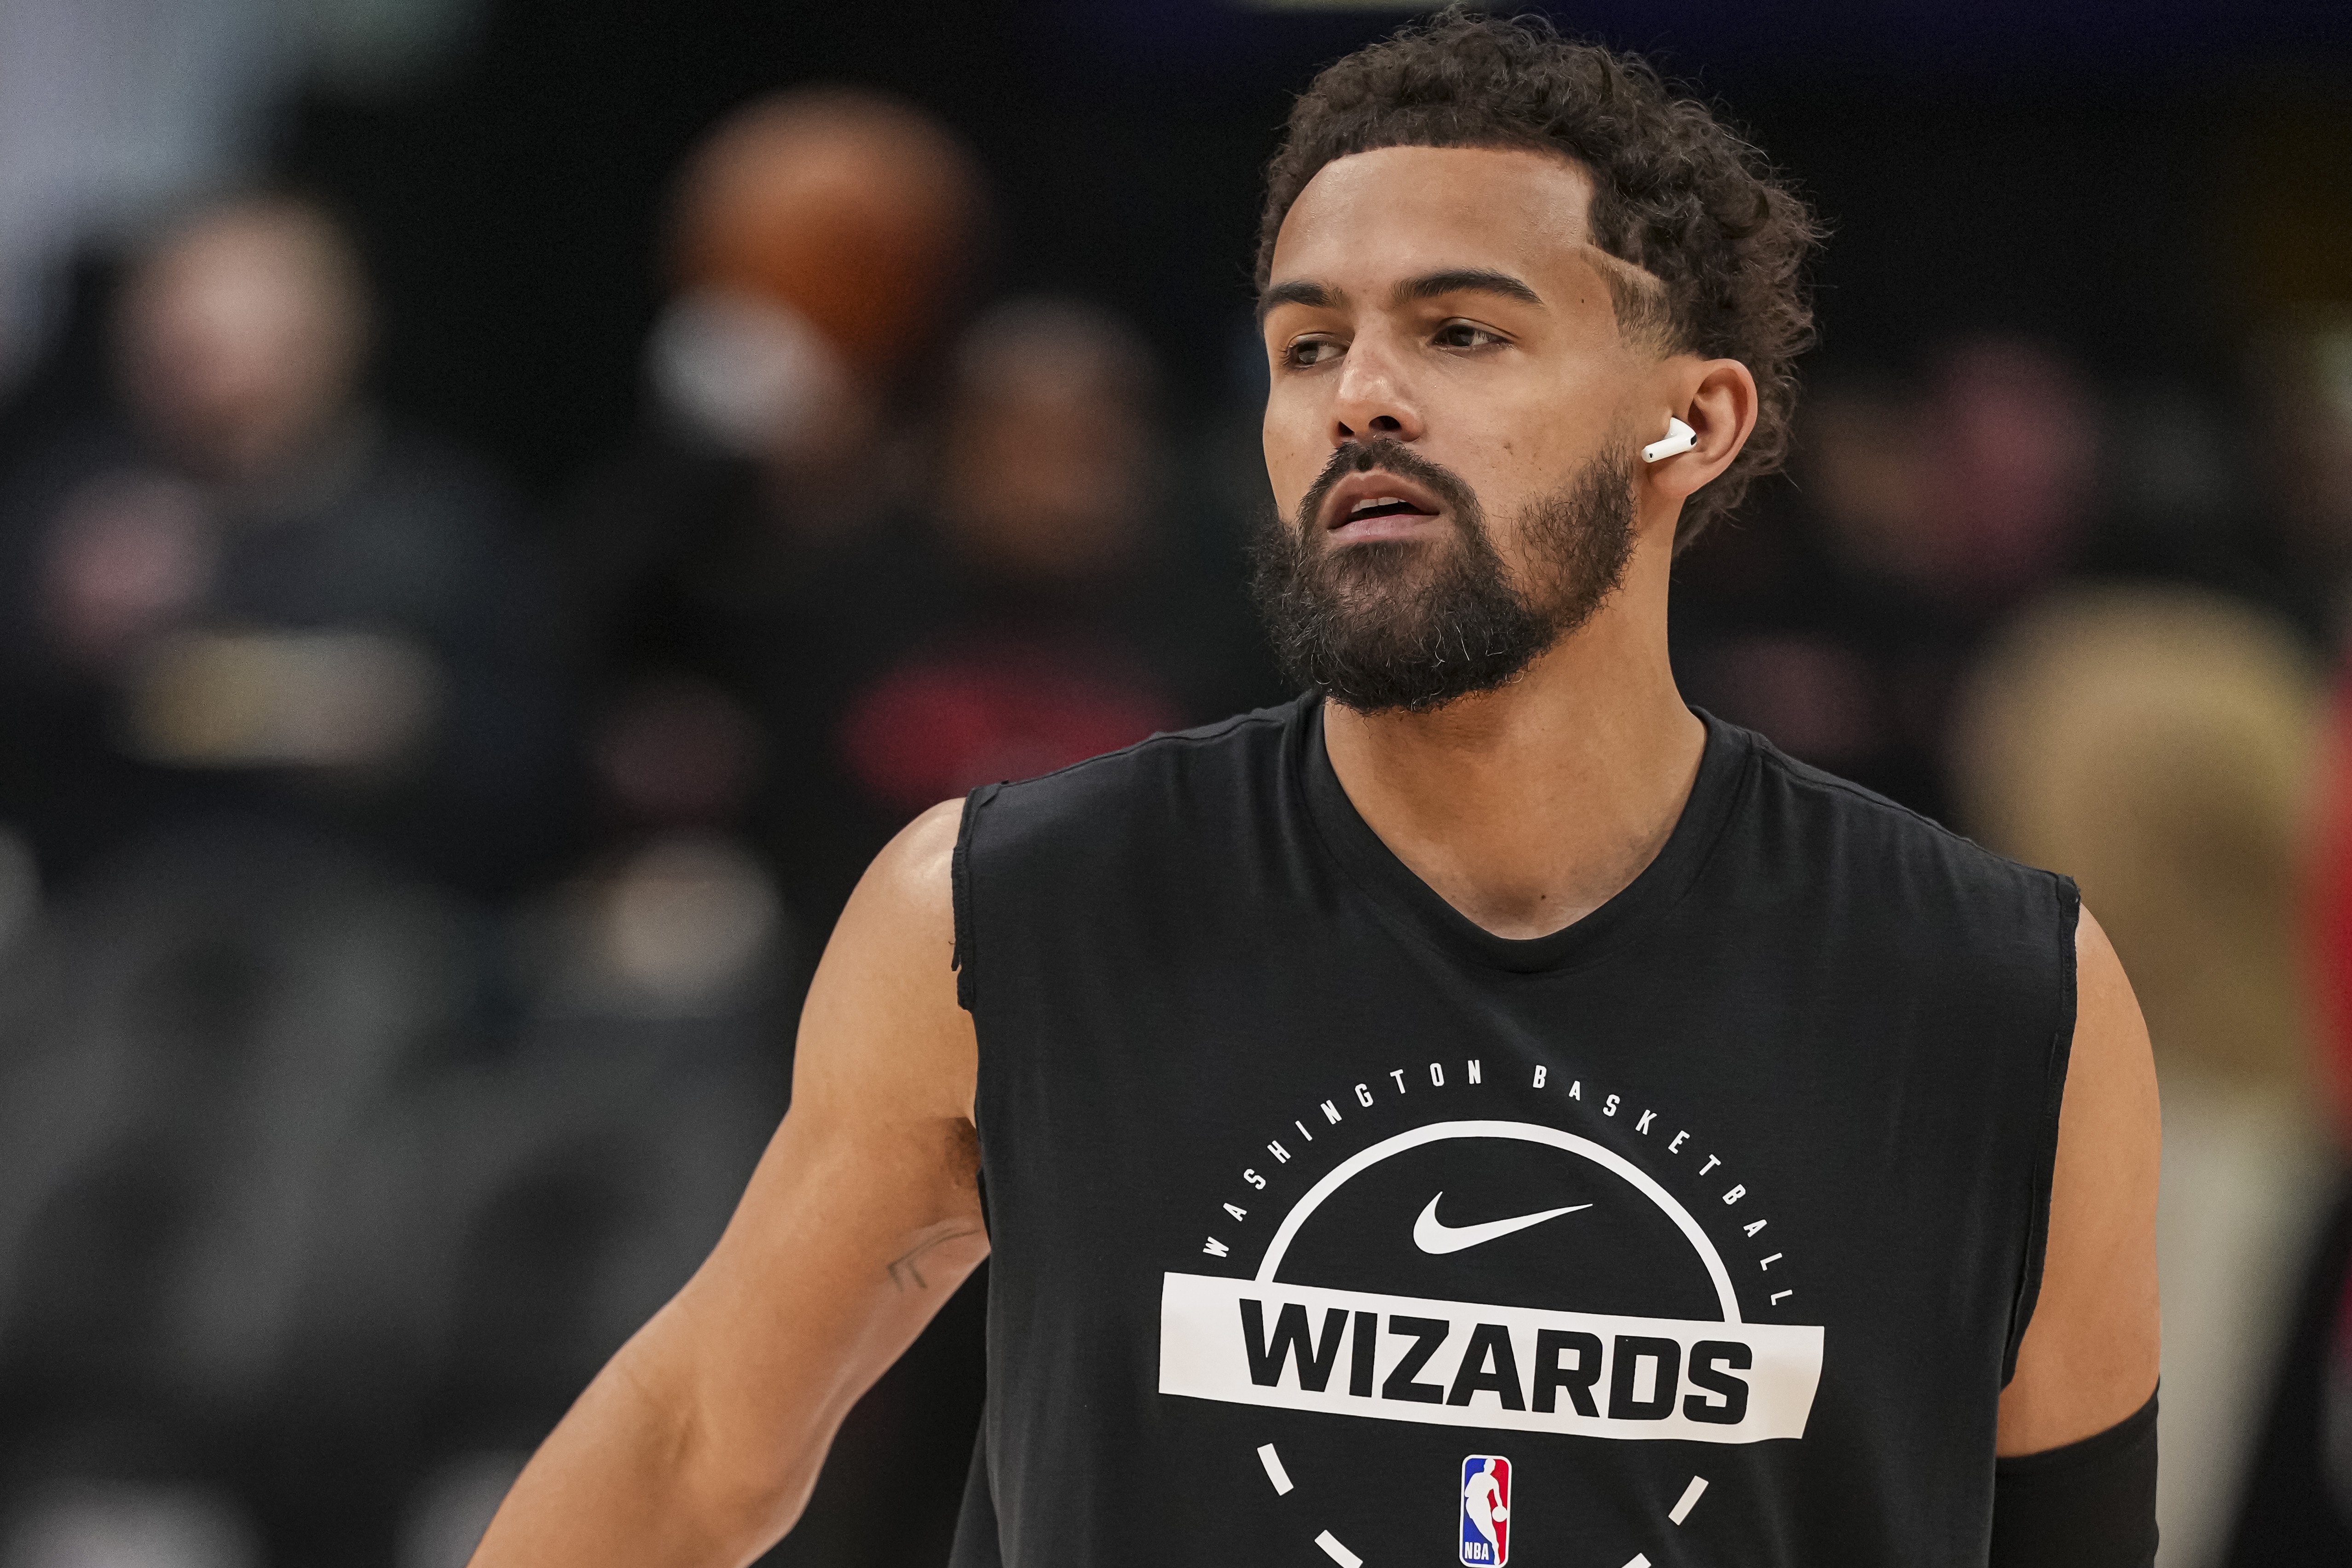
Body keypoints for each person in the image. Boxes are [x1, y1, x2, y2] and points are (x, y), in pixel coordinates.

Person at [470, 14, 2161, 1567]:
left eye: (1462, 332)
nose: (1360, 399)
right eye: (1305, 346)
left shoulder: (2006, 993)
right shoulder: (1001, 914)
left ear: (1691, 424)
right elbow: (690, 1451)